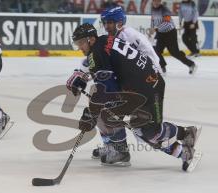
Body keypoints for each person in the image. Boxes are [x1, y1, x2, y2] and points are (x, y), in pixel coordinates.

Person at [68, 23, 201, 171]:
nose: (79, 47)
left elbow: (107, 88)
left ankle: (185, 145)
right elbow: (103, 72)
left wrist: (92, 112)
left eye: (80, 43)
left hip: (147, 90)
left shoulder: (96, 53)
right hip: (144, 84)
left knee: (148, 132)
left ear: (91, 39)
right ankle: (117, 149)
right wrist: (81, 78)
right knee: (109, 112)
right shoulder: (104, 40)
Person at [67, 7, 162, 164]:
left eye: (110, 22)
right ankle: (113, 146)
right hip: (124, 82)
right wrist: (81, 74)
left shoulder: (130, 36)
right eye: (104, 22)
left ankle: (120, 150)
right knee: (102, 107)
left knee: (143, 129)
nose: (106, 26)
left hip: (141, 84)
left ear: (120, 22)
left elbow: (150, 61)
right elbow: (96, 61)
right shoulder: (105, 40)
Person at [150, 0, 197, 74]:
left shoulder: (165, 10)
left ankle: (191, 64)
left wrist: (155, 28)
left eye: (158, 1)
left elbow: (167, 23)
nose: (156, 2)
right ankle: (162, 67)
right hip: (160, 33)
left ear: (160, 2)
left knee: (174, 53)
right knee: (156, 50)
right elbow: (153, 20)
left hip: (170, 33)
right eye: (154, 1)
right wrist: (152, 27)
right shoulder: (152, 8)